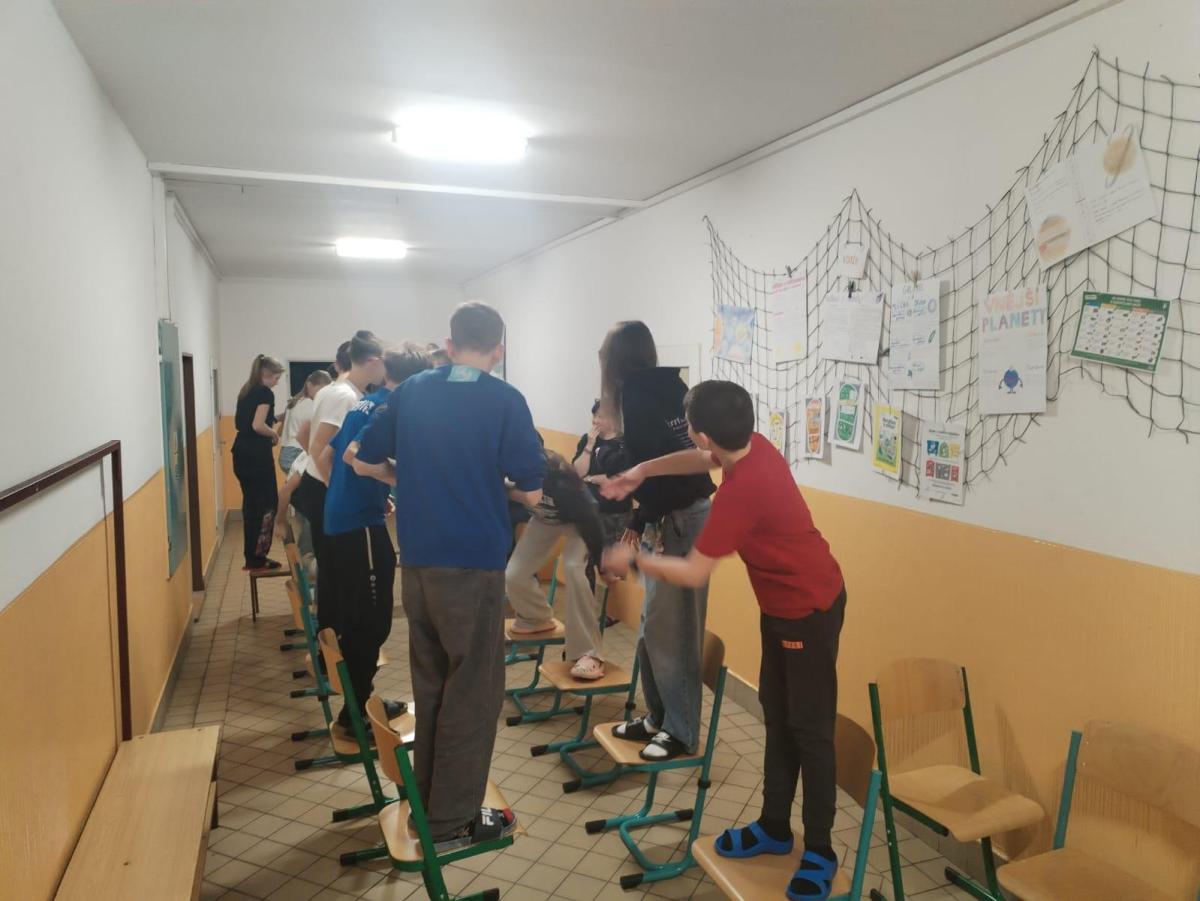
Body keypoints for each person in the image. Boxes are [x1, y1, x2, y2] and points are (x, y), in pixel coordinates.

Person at [603, 380, 846, 901]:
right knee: (777, 716)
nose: (692, 440)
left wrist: (635, 559)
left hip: (809, 610)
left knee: (810, 732)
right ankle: (775, 827)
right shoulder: (752, 448)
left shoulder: (741, 491)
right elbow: (700, 460)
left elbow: (693, 571)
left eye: (691, 430)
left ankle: (822, 850)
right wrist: (642, 470)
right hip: (782, 608)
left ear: (704, 434)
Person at [355, 302, 543, 852]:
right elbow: (532, 487)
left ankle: (430, 806)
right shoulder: (505, 400)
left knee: (432, 684)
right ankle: (452, 821)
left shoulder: (411, 391)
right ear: (499, 350)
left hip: (417, 562)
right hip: (473, 565)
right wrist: (490, 483)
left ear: (451, 343)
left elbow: (365, 455)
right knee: (475, 692)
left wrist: (416, 477)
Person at [594, 321, 715, 760]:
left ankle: (680, 732)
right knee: (652, 628)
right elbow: (657, 463)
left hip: (681, 518)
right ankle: (658, 717)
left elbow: (656, 470)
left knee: (673, 633)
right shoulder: (669, 384)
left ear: (615, 360)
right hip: (670, 515)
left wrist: (639, 518)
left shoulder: (638, 395)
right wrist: (641, 517)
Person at [322, 343, 433, 735]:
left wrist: (373, 490)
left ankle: (363, 701)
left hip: (344, 518)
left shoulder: (366, 402)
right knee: (370, 623)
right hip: (359, 526)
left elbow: (331, 454)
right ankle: (354, 716)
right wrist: (401, 480)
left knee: (361, 619)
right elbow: (353, 457)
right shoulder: (392, 407)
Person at [290, 331, 385, 633]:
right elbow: (320, 449)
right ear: (373, 361)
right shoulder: (345, 396)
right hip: (323, 490)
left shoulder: (338, 390)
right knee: (335, 571)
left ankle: (332, 637)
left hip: (321, 487)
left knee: (332, 568)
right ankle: (334, 639)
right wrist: (339, 489)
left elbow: (306, 436)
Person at [505, 450, 608, 680]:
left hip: (578, 522)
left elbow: (591, 522)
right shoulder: (508, 473)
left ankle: (590, 653)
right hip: (544, 520)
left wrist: (603, 565)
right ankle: (537, 617)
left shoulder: (561, 482)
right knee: (513, 574)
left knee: (573, 569)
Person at [232, 354, 285, 572]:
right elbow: (257, 425)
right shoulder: (265, 393)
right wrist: (274, 434)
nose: (277, 383)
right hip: (256, 456)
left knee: (252, 505)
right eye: (276, 378)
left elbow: (249, 421)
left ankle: (253, 557)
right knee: (267, 504)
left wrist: (279, 417)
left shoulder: (247, 390)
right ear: (266, 374)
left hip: (241, 453)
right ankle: (257, 558)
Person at [572, 398, 631, 590]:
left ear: (614, 418)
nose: (595, 421)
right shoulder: (587, 439)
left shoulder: (625, 442)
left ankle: (612, 605)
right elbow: (578, 472)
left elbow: (629, 476)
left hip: (616, 512)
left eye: (600, 416)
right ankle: (588, 605)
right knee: (585, 561)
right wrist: (589, 446)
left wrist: (607, 479)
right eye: (594, 415)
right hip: (589, 511)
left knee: (613, 564)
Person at [279, 369, 332, 474]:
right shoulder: (311, 405)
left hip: (286, 452)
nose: (323, 394)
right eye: (321, 390)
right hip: (297, 452)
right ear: (309, 385)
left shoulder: (295, 401)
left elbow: (280, 431)